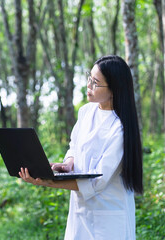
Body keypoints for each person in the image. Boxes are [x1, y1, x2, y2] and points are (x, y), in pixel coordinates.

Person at [19, 55, 143, 240]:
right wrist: (69, 163)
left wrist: (49, 181)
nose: (88, 86)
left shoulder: (120, 130)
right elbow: (75, 146)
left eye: (95, 83)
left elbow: (97, 182)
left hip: (110, 218)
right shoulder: (86, 111)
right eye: (89, 78)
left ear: (114, 90)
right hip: (80, 213)